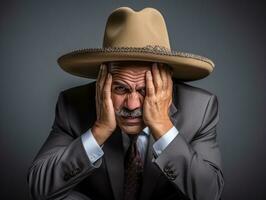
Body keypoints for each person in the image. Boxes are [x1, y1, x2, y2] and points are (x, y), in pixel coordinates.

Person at [27, 7, 224, 200]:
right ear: (102, 81)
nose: (131, 105)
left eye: (145, 90)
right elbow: (40, 188)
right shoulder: (72, 105)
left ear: (166, 85)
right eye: (120, 88)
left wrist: (163, 127)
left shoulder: (200, 109)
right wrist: (99, 131)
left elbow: (209, 194)